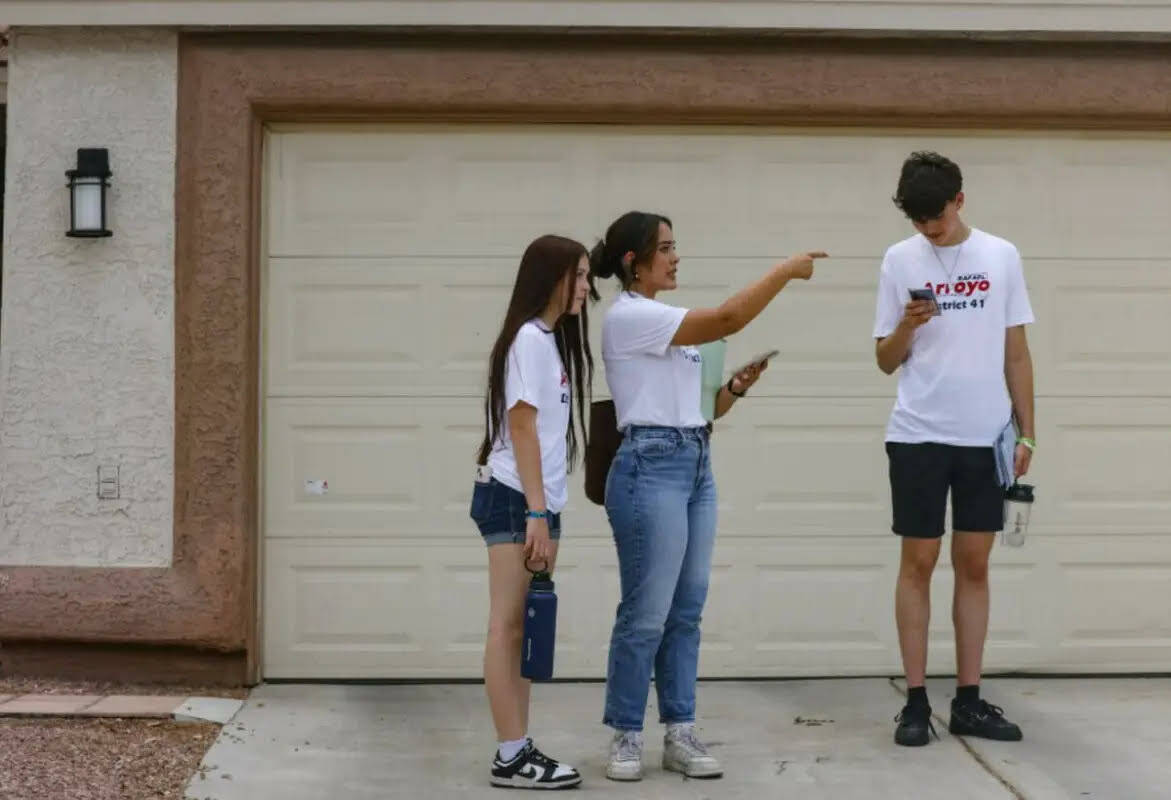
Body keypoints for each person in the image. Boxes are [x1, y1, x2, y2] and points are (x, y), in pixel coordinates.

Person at [591, 210, 826, 781]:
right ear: (633, 261)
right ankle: (626, 735)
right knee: (646, 612)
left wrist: (734, 391)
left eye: (676, 246)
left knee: (686, 609)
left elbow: (701, 408)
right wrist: (784, 271)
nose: (676, 257)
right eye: (665, 248)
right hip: (649, 467)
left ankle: (679, 732)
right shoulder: (632, 316)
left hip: (695, 463)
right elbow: (728, 316)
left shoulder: (669, 323)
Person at [873, 151, 1036, 747]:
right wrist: (908, 326)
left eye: (935, 220)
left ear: (959, 202)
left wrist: (1027, 431)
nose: (928, 231)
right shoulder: (898, 260)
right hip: (917, 436)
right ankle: (914, 702)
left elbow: (1015, 352)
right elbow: (884, 360)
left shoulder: (1000, 256)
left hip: (984, 437)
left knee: (974, 565)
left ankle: (968, 699)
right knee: (917, 565)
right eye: (918, 222)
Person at [471, 234, 595, 789]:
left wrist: (546, 509)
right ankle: (510, 753)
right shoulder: (528, 339)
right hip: (516, 499)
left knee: (523, 627)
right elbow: (521, 426)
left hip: (536, 501)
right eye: (582, 277)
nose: (588, 289)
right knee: (507, 624)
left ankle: (517, 748)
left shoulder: (547, 340)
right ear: (553, 278)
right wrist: (538, 515)